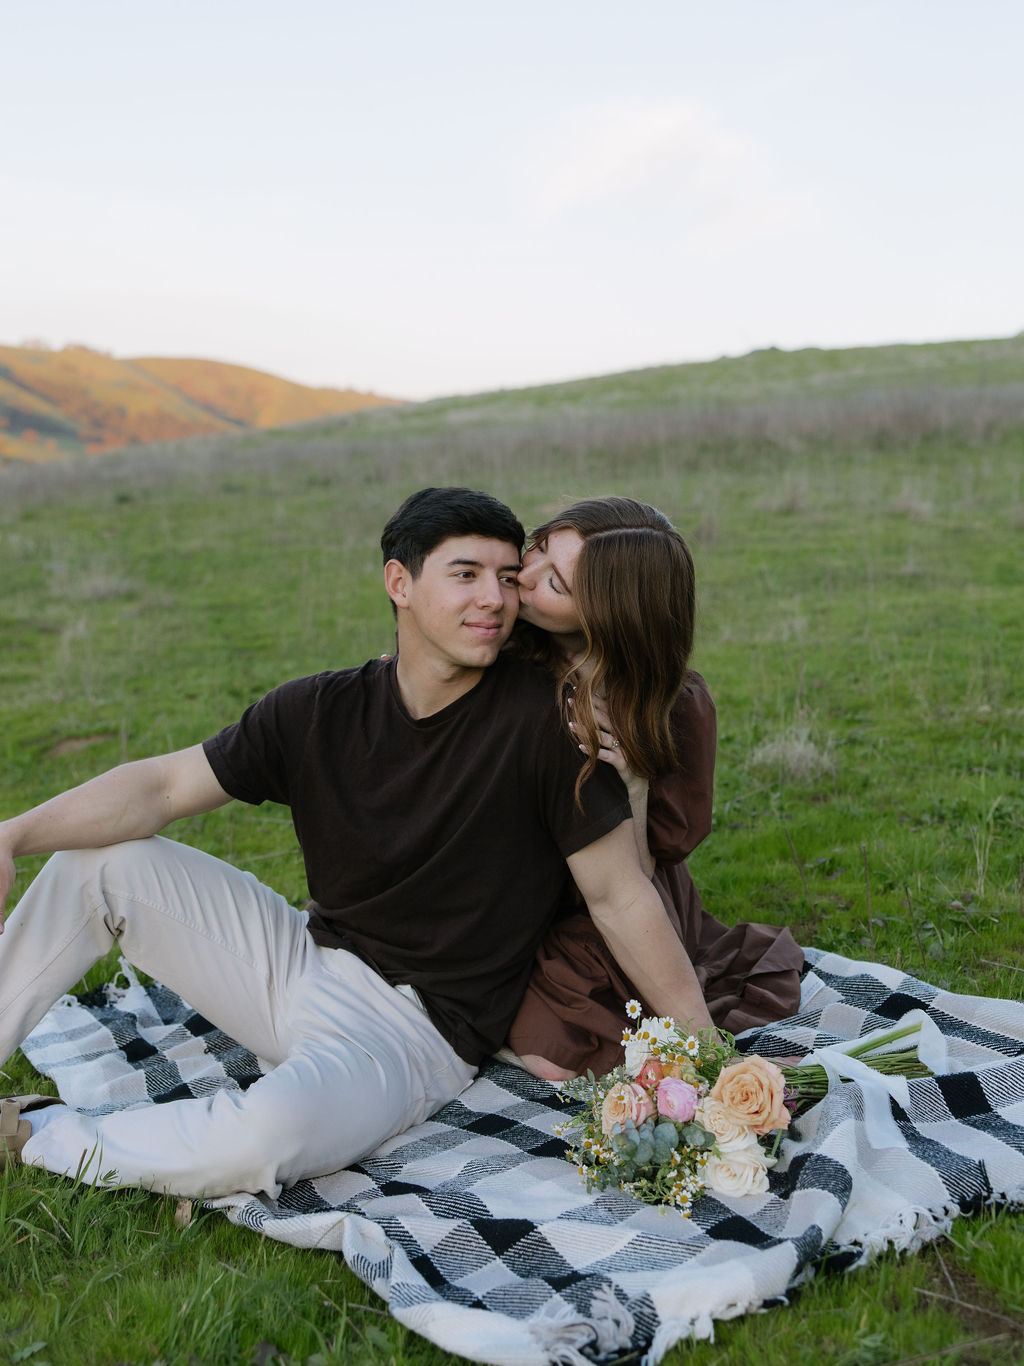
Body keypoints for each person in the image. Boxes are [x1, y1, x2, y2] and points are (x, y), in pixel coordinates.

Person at [0, 487, 714, 1199]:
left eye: (506, 577)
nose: (496, 598)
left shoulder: (551, 729)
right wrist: (12, 835)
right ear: (399, 583)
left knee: (264, 1138)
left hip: (409, 1035)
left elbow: (620, 895)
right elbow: (160, 787)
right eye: (465, 574)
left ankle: (35, 1133)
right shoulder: (319, 708)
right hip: (296, 958)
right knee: (100, 865)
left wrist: (705, 1052)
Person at [504, 497, 803, 1080]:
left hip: (622, 895)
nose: (523, 577)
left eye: (555, 584)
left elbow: (644, 871)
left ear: (609, 616)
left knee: (562, 1058)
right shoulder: (505, 659)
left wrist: (634, 791)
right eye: (537, 548)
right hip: (521, 898)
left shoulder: (674, 707)